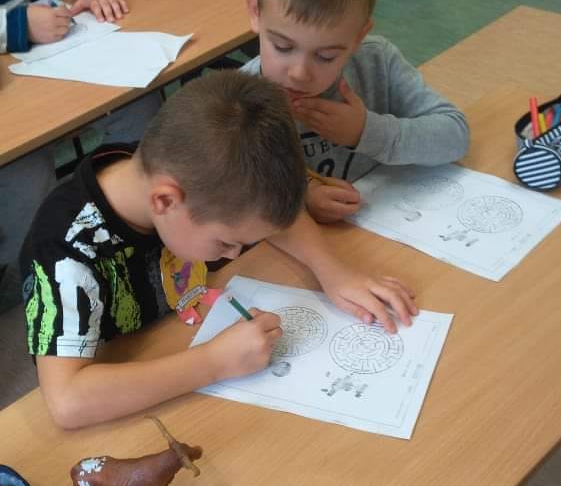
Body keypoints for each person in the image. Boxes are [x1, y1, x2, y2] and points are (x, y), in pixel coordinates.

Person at [20, 69, 417, 430]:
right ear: (165, 201)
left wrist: (332, 270)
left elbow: (259, 211)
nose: (231, 254)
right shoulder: (66, 254)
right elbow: (68, 401)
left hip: (184, 331)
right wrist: (213, 363)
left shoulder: (185, 167)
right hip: (131, 394)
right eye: (226, 243)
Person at [0, 0, 158, 307]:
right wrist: (18, 26)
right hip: (13, 110)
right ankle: (38, 275)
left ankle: (128, 223)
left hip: (67, 71)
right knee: (25, 174)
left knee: (140, 103)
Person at [243, 0, 469, 224]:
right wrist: (302, 198)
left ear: (359, 36)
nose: (299, 73)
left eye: (326, 56)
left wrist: (366, 131)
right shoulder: (238, 99)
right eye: (283, 47)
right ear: (255, 12)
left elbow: (455, 135)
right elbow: (236, 193)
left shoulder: (376, 63)